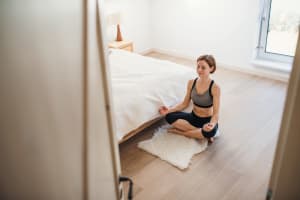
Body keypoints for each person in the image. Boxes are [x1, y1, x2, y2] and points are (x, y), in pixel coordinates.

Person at [158, 55, 220, 143]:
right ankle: (200, 132)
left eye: (203, 67)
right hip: (193, 117)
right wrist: (168, 111)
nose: (199, 70)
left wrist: (212, 124)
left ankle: (182, 133)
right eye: (198, 66)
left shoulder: (215, 87)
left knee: (211, 130)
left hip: (207, 121)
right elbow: (184, 104)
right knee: (169, 117)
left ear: (211, 68)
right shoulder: (191, 83)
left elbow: (216, 114)